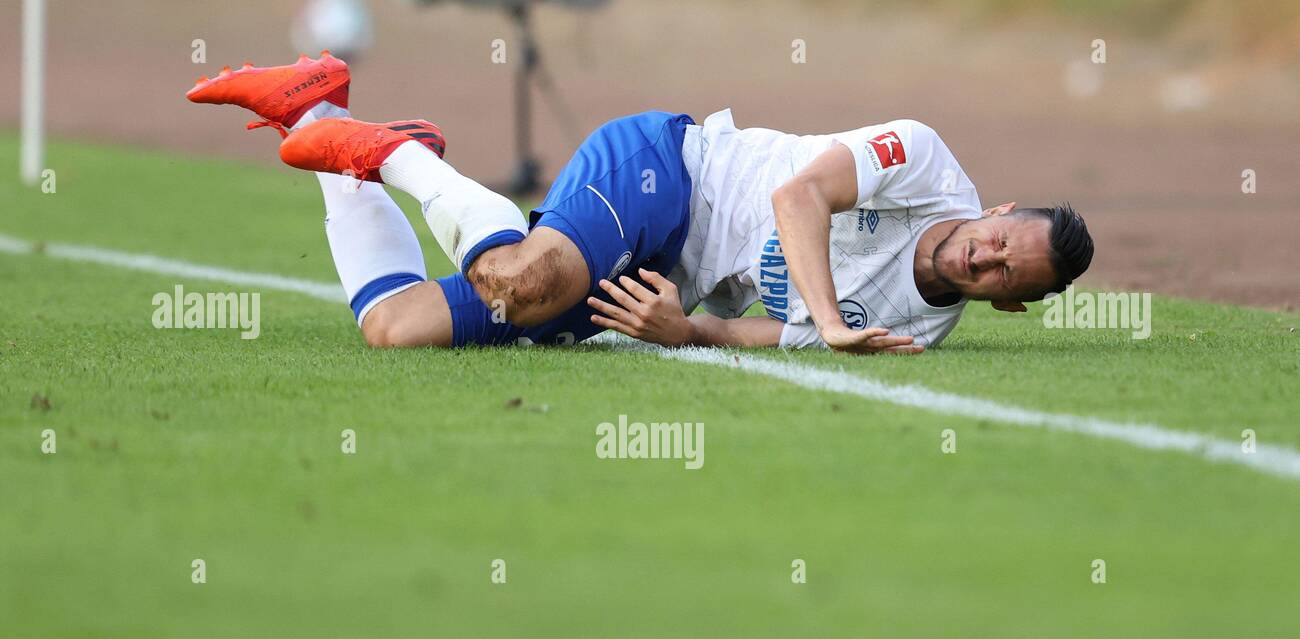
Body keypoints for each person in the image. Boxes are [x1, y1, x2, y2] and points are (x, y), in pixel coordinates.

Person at [187, 53, 1093, 354]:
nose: (984, 255)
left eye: (1005, 272)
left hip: (671, 277)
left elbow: (772, 340)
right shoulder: (927, 162)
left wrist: (683, 329)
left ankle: (321, 115)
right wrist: (829, 317)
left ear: (1008, 300)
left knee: (394, 326)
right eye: (999, 236)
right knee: (525, 282)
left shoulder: (920, 333)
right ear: (997, 208)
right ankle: (398, 158)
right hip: (670, 168)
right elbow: (799, 193)